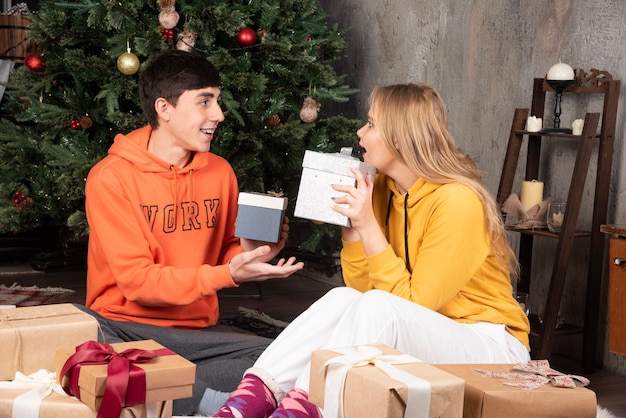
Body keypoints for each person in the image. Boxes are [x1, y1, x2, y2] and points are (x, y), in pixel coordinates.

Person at [211, 83, 531, 418]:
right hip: (424, 332)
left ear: (399, 135)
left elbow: (412, 306)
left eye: (372, 123)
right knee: (343, 299)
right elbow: (363, 293)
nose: (361, 132)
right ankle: (246, 404)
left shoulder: (457, 201)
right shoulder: (381, 190)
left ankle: (304, 407)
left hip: (491, 348)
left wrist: (368, 226)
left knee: (379, 305)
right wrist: (352, 232)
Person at [77, 49, 305, 416]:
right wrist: (229, 274)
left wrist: (250, 253)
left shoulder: (219, 171)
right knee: (83, 339)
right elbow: (137, 283)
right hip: (124, 330)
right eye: (204, 101)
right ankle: (210, 398)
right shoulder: (112, 177)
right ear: (164, 109)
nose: (218, 114)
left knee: (283, 357)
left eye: (217, 100)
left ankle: (184, 394)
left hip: (197, 336)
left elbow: (229, 250)